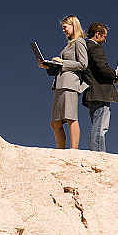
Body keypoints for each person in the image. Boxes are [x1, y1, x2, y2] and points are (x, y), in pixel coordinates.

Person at [40, 15, 89, 149]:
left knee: (70, 117)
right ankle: (60, 151)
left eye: (65, 27)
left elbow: (83, 64)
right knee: (55, 122)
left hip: (70, 83)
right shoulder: (69, 45)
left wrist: (63, 62)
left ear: (73, 26)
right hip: (59, 84)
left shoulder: (79, 42)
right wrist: (48, 66)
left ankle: (74, 150)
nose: (63, 30)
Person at [82, 22, 118, 152]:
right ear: (97, 34)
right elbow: (102, 68)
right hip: (100, 92)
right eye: (104, 36)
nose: (105, 40)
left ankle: (96, 151)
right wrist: (115, 73)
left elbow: (93, 72)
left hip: (91, 92)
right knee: (100, 126)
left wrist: (111, 80)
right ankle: (98, 154)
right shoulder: (96, 48)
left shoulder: (84, 47)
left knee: (96, 123)